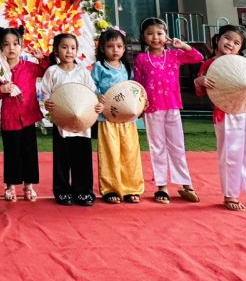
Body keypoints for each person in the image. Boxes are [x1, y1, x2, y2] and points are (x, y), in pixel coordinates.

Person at [194, 24, 246, 212]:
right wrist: (199, 81)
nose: (230, 43)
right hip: (225, 114)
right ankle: (231, 195)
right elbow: (201, 92)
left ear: (240, 48)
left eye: (237, 43)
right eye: (227, 38)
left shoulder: (245, 64)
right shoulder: (208, 64)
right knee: (229, 154)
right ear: (217, 39)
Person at [134, 17, 203, 204]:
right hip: (152, 108)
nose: (155, 37)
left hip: (172, 105)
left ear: (166, 36)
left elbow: (198, 57)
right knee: (157, 146)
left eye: (159, 33)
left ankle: (186, 183)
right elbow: (137, 84)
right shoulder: (141, 59)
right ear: (143, 37)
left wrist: (183, 46)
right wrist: (139, 106)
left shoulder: (175, 55)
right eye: (150, 34)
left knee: (177, 145)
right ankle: (162, 187)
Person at [43, 33, 103, 207]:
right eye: (64, 47)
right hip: (61, 122)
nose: (69, 51)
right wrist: (47, 103)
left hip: (82, 122)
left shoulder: (82, 71)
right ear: (56, 50)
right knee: (62, 159)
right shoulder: (52, 72)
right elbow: (45, 94)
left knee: (83, 158)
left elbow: (92, 94)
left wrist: (98, 105)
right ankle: (62, 190)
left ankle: (83, 191)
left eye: (73, 48)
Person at [0, 26, 48, 202]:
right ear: (1, 48)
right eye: (6, 44)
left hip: (28, 118)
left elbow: (47, 72)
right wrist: (3, 88)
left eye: (15, 44)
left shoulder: (30, 67)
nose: (11, 48)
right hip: (9, 119)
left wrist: (42, 59)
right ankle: (10, 186)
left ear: (21, 46)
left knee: (29, 153)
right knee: (12, 153)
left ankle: (28, 186)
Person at [91, 27, 144, 204]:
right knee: (110, 153)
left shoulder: (127, 68)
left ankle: (131, 188)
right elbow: (91, 86)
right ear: (102, 48)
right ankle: (111, 189)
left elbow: (134, 89)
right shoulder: (99, 67)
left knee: (130, 152)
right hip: (107, 118)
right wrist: (98, 94)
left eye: (119, 46)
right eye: (110, 46)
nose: (115, 50)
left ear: (124, 48)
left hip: (127, 119)